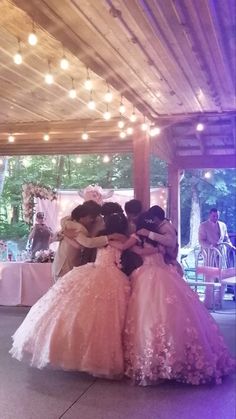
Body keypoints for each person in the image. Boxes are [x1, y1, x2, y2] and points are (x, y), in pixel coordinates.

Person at [112, 212, 235, 386]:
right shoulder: (158, 236)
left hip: (149, 275)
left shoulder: (144, 236)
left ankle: (160, 360)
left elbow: (128, 248)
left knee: (151, 314)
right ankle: (170, 358)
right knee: (172, 313)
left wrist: (129, 245)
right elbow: (159, 248)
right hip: (162, 274)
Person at [10, 213, 130, 379]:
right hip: (109, 273)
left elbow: (84, 244)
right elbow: (91, 245)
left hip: (94, 270)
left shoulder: (100, 237)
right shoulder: (117, 239)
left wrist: (66, 234)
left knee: (82, 310)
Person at [52, 201, 120, 281]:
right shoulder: (74, 226)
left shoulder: (73, 223)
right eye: (91, 216)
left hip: (86, 258)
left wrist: (63, 234)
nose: (92, 219)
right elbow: (88, 243)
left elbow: (85, 244)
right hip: (65, 265)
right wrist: (108, 238)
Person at [137, 205, 183, 276]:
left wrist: (149, 234)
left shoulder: (166, 227)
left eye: (151, 218)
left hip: (169, 261)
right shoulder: (162, 226)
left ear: (155, 218)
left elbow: (170, 241)